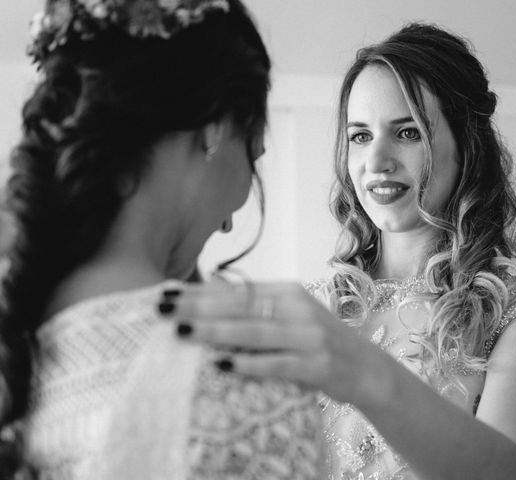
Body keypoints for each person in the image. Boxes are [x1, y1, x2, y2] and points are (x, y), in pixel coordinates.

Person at [167, 23, 516, 480]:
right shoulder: (317, 307)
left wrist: (367, 374)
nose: (376, 161)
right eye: (360, 136)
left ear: (468, 147)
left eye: (407, 133)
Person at [0, 1, 323, 479]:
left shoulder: (19, 339)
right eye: (252, 157)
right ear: (216, 129)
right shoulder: (240, 380)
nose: (230, 222)